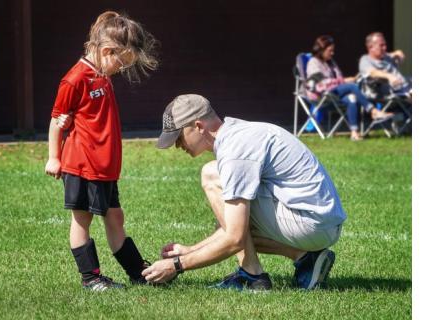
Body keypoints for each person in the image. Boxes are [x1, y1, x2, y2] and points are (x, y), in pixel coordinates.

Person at [142, 94, 346, 291]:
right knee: (231, 213)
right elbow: (234, 231)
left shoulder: (234, 151)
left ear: (198, 126)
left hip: (311, 224)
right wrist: (191, 250)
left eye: (178, 137)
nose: (178, 145)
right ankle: (305, 257)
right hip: (319, 222)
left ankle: (252, 275)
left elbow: (235, 238)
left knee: (212, 175)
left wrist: (177, 265)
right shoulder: (237, 133)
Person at [44, 11, 159, 291]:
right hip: (83, 165)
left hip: (105, 166)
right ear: (107, 51)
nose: (120, 69)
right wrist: (53, 157)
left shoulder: (102, 75)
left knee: (115, 217)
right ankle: (91, 278)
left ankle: (138, 273)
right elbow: (57, 119)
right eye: (121, 63)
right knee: (82, 220)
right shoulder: (75, 79)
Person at [306, 35, 392, 141]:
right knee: (352, 87)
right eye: (330, 50)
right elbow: (320, 85)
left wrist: (346, 80)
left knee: (352, 98)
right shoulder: (313, 63)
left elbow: (339, 77)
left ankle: (354, 133)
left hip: (333, 95)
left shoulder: (330, 62)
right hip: (320, 96)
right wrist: (344, 81)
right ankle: (373, 111)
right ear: (321, 49)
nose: (332, 53)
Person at [358, 32, 412, 101]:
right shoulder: (365, 60)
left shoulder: (385, 56)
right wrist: (389, 76)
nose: (385, 48)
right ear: (371, 47)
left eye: (385, 45)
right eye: (381, 45)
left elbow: (395, 54)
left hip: (407, 87)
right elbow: (372, 72)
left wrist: (398, 53)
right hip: (394, 93)